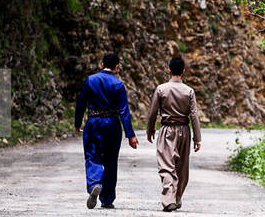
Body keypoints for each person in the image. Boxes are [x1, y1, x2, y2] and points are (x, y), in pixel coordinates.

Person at [75, 52, 139, 209]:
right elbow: (124, 111)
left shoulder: (90, 80)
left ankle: (95, 184)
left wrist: (78, 122)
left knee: (92, 154)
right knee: (111, 160)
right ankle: (107, 198)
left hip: (93, 122)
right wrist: (130, 135)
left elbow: (81, 103)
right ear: (117, 67)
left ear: (101, 65)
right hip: (112, 123)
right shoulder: (118, 85)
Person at [146, 56, 201, 212]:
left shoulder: (161, 89)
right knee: (182, 167)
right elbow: (194, 115)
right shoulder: (189, 91)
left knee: (167, 165)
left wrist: (150, 130)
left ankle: (169, 199)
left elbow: (153, 113)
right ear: (183, 72)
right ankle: (176, 198)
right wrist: (197, 138)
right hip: (184, 130)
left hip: (167, 130)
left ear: (168, 70)